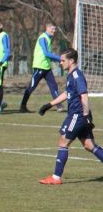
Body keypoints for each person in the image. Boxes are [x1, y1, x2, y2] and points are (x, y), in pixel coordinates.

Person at [37, 48, 103, 184]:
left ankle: (56, 177)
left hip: (77, 115)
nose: (60, 63)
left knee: (63, 141)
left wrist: (85, 115)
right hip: (79, 115)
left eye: (62, 60)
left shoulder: (77, 76)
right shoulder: (71, 75)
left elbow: (84, 95)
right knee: (89, 145)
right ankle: (56, 177)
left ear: (71, 61)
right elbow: (67, 94)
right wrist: (49, 105)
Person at [20, 23, 62, 113]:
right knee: (31, 86)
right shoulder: (43, 38)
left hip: (46, 67)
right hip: (39, 67)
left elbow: (48, 55)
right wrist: (60, 58)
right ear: (47, 28)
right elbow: (46, 53)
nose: (54, 31)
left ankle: (59, 106)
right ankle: (22, 106)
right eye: (52, 29)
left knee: (54, 86)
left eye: (55, 29)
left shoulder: (48, 38)